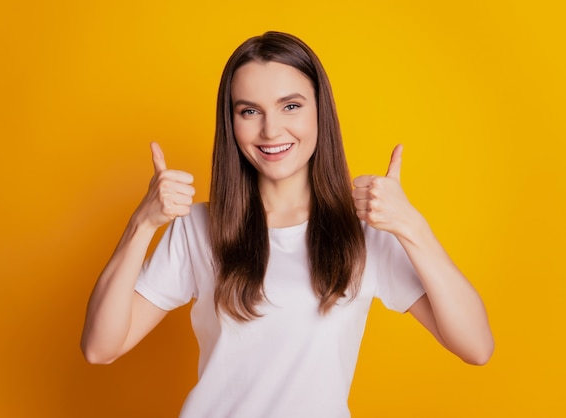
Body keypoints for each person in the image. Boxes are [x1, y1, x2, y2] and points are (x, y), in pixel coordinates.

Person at [80, 31, 494, 417]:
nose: (271, 129)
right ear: (232, 122)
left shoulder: (366, 232)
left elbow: (476, 347)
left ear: (320, 111)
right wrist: (141, 224)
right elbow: (100, 348)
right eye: (249, 111)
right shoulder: (198, 228)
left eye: (290, 106)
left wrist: (412, 227)